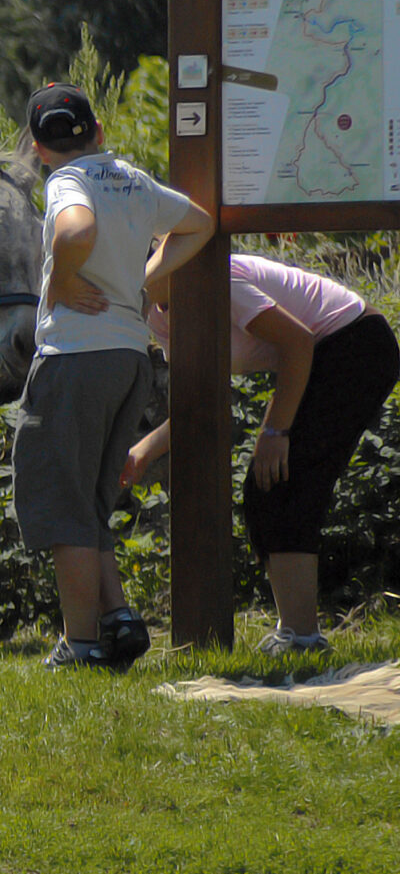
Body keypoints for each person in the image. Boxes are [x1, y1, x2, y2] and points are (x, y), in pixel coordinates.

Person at [12, 83, 213, 671]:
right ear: (98, 132)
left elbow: (73, 230)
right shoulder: (132, 179)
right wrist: (146, 278)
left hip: (76, 356)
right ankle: (116, 618)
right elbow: (199, 224)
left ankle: (80, 646)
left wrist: (59, 282)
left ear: (37, 148)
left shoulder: (64, 183)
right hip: (130, 357)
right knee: (93, 500)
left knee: (63, 504)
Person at [125, 255, 399, 655]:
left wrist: (276, 430)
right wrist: (142, 451)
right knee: (268, 487)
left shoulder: (216, 278)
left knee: (280, 480)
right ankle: (297, 631)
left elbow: (298, 340)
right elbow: (200, 395)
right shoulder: (158, 314)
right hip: (323, 354)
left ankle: (301, 636)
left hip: (355, 343)